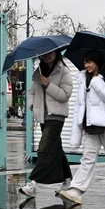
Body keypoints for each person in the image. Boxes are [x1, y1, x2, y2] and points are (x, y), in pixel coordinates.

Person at [59, 50, 105, 204]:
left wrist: (98, 84)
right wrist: (77, 127)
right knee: (87, 159)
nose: (87, 65)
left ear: (97, 61)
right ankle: (76, 191)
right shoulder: (82, 79)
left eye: (90, 62)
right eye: (85, 62)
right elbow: (80, 105)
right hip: (90, 126)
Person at [20, 50, 74, 199]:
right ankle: (68, 180)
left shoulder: (63, 71)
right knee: (55, 148)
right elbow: (31, 92)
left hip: (56, 116)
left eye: (50, 52)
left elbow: (65, 95)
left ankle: (33, 184)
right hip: (43, 117)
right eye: (44, 53)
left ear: (57, 53)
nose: (47, 55)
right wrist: (32, 105)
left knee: (44, 149)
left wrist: (48, 84)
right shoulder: (38, 72)